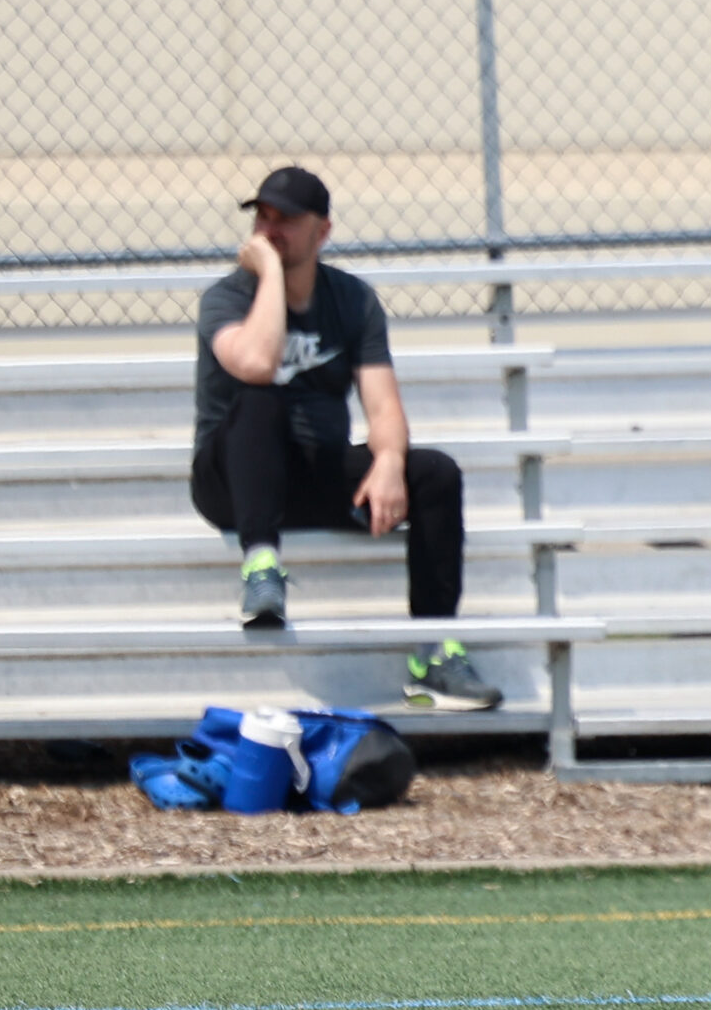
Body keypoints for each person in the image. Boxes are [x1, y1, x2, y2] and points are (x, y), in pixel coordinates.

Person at [190, 166, 501, 712]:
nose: (269, 229)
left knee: (435, 473)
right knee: (261, 398)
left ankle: (431, 655)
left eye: (286, 219)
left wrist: (388, 462)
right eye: (263, 216)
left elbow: (382, 406)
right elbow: (259, 363)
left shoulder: (352, 301)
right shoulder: (228, 297)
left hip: (313, 473)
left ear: (322, 232)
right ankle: (262, 567)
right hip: (233, 482)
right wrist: (269, 277)